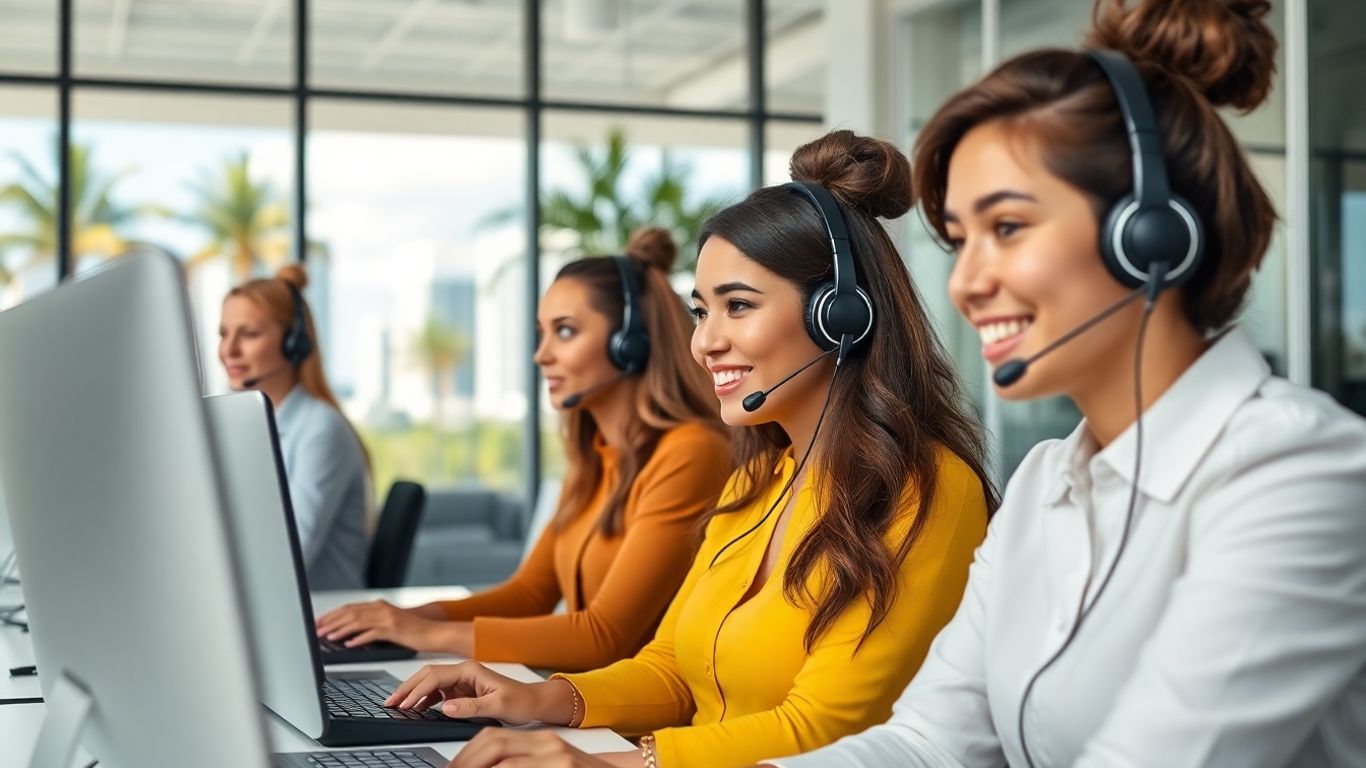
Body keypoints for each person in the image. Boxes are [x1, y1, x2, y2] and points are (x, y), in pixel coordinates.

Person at [766, 2, 1366, 767]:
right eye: (959, 240)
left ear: (1151, 233)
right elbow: (928, 743)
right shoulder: (1045, 484)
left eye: (1007, 227)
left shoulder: (1300, 474)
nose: (965, 284)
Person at [383, 130, 997, 768]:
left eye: (738, 306)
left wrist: (613, 764)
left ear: (839, 317)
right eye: (702, 311)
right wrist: (540, 699)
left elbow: (826, 732)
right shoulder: (756, 480)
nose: (705, 342)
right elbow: (673, 667)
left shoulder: (924, 490)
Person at [315, 228, 732, 671]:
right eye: (541, 333)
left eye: (565, 332)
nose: (541, 355)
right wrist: (398, 619)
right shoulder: (596, 456)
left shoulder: (691, 453)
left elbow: (604, 636)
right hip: (574, 703)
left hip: (634, 725)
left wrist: (426, 635)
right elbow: (529, 594)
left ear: (630, 344)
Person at [220, 264, 370, 590]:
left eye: (248, 334)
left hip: (321, 617)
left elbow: (290, 556)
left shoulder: (320, 430)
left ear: (294, 343)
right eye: (223, 334)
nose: (228, 350)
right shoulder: (246, 429)